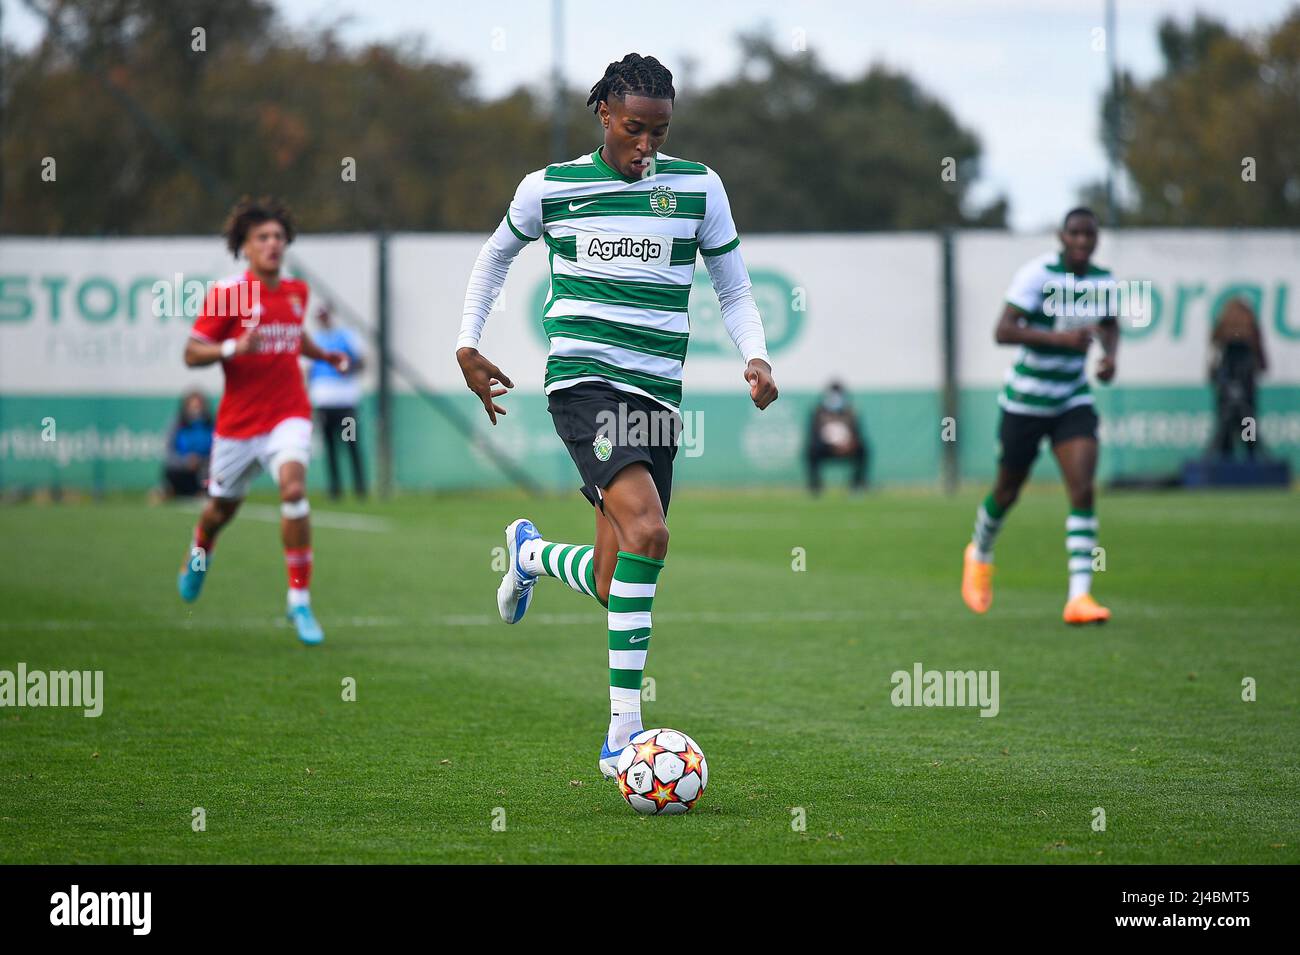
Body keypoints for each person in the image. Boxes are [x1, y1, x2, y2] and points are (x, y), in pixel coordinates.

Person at [455, 54, 778, 777]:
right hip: (585, 385)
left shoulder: (698, 186)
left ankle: (530, 554)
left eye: (659, 132)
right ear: (604, 113)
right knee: (650, 530)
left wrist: (754, 354)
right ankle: (621, 734)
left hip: (659, 397)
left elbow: (733, 284)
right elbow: (493, 258)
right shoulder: (551, 188)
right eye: (635, 129)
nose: (647, 146)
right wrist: (467, 343)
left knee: (614, 578)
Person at [176, 196, 350, 646]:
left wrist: (323, 353)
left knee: (293, 490)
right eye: (262, 238)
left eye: (278, 237)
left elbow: (293, 335)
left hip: (288, 413)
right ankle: (201, 547)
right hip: (237, 426)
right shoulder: (228, 294)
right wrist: (232, 348)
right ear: (245, 247)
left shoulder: (296, 292)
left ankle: (299, 601)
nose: (272, 244)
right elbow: (192, 352)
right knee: (220, 512)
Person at [961, 207, 1119, 625]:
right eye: (1076, 234)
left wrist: (1109, 359)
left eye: (1090, 234)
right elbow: (1003, 330)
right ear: (1062, 236)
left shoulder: (1104, 281)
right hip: (1025, 401)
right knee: (1008, 491)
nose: (1083, 241)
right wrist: (1058, 339)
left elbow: (1111, 323)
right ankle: (979, 552)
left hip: (1071, 398)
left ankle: (1079, 597)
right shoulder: (1038, 276)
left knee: (1082, 488)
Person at [308, 303, 368, 499]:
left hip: (345, 403)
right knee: (331, 446)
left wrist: (348, 369)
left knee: (350, 443)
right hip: (324, 403)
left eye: (325, 316)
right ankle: (335, 489)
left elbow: (362, 362)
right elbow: (308, 371)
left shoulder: (347, 336)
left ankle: (360, 487)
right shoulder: (314, 341)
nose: (323, 320)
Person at [1208, 296, 1267, 460]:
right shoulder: (1249, 325)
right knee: (1247, 419)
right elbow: (1259, 350)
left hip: (1228, 377)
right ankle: (1251, 455)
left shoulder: (1222, 326)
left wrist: (1212, 373)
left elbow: (1213, 353)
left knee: (1227, 420)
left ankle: (1226, 457)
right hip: (1245, 376)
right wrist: (1261, 365)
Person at [806, 381, 868, 494]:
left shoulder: (851, 412)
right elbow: (814, 436)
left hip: (847, 448)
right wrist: (831, 445)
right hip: (825, 448)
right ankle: (815, 487)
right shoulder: (818, 412)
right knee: (812, 450)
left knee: (863, 450)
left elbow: (857, 435)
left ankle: (857, 485)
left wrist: (849, 445)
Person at [162, 390, 214, 498]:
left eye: (198, 406)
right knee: (171, 471)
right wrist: (186, 461)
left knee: (209, 476)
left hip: (203, 469)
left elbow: (216, 450)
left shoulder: (210, 424)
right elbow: (169, 452)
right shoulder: (178, 423)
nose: (196, 410)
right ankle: (171, 490)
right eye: (193, 407)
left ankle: (203, 491)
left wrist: (201, 461)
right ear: (186, 407)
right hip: (182, 470)